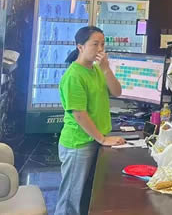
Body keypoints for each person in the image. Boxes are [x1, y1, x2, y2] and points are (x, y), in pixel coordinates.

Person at [56, 26, 126, 215]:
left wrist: (106, 69)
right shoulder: (73, 75)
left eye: (102, 44)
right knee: (71, 200)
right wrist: (102, 139)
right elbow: (79, 114)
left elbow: (117, 91)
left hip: (94, 139)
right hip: (79, 143)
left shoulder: (96, 70)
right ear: (80, 47)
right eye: (95, 44)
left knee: (87, 196)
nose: (100, 49)